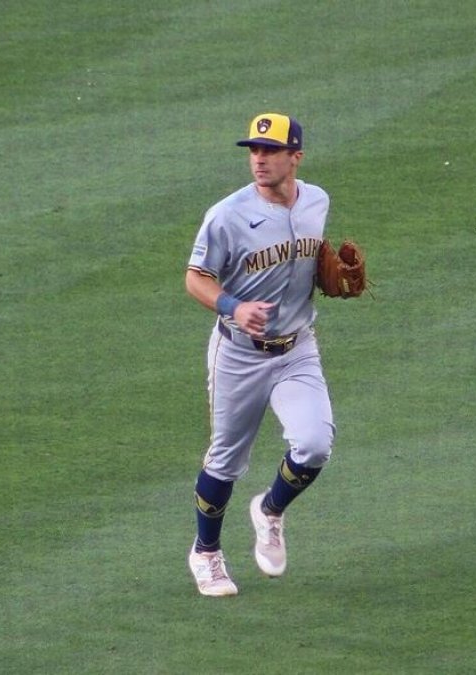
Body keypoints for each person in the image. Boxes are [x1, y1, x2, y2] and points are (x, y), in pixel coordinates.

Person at [184, 112, 337, 596]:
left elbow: (307, 262)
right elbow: (195, 278)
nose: (259, 159)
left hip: (297, 348)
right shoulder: (227, 215)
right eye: (254, 150)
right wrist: (234, 306)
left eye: (270, 151)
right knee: (225, 460)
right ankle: (206, 553)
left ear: (296, 157)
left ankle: (270, 511)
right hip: (239, 355)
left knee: (314, 444)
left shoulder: (317, 201)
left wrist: (328, 277)